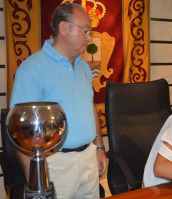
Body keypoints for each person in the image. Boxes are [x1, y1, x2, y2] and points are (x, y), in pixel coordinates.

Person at [10, 3, 107, 198]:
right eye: (85, 30)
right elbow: (20, 130)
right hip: (54, 165)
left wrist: (98, 147)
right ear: (64, 28)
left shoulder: (84, 67)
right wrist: (35, 178)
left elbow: (90, 108)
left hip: (88, 159)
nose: (89, 37)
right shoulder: (32, 69)